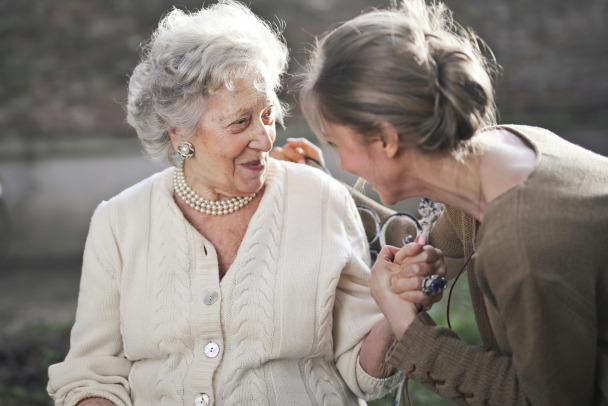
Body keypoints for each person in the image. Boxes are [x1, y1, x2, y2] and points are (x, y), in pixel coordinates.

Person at [45, 2, 425, 405]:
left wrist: (397, 309)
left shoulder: (320, 200)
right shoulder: (119, 222)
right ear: (180, 133)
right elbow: (91, 376)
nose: (265, 139)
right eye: (240, 122)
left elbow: (365, 374)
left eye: (267, 114)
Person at [288, 0, 608, 404]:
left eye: (335, 143)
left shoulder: (524, 243)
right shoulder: (500, 151)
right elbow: (434, 248)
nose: (343, 162)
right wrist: (425, 263)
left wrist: (410, 330)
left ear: (385, 139)